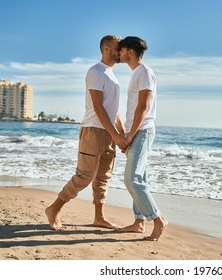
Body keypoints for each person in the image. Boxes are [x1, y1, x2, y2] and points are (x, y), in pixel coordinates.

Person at [45, 35, 127, 231]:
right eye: (118, 48)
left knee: (103, 177)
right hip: (93, 130)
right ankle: (54, 209)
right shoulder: (95, 72)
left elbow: (113, 109)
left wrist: (121, 133)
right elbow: (98, 107)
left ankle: (99, 217)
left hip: (109, 132)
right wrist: (115, 134)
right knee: (84, 176)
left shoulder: (113, 75)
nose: (122, 51)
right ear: (106, 49)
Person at [116, 36, 168, 241]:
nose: (118, 53)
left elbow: (143, 107)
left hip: (142, 131)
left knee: (132, 179)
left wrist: (130, 135)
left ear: (130, 51)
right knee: (141, 179)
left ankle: (158, 220)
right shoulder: (137, 73)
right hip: (137, 130)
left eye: (121, 50)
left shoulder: (145, 72)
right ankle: (139, 222)